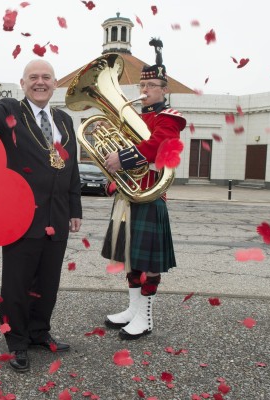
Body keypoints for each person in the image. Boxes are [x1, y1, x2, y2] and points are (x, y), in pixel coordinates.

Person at [0, 59, 83, 373]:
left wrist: (74, 208)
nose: (40, 82)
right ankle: (17, 342)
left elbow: (72, 168)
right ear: (23, 84)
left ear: (54, 84)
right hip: (21, 216)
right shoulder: (11, 110)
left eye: (46, 77)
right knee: (17, 285)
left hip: (58, 215)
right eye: (33, 77)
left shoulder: (64, 119)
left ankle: (39, 331)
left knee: (48, 282)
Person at [101, 39, 186, 340]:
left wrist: (121, 158)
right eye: (143, 84)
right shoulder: (133, 117)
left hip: (150, 195)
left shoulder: (170, 118)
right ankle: (133, 309)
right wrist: (113, 178)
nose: (145, 90)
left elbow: (157, 146)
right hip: (127, 195)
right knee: (130, 258)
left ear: (164, 89)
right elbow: (119, 145)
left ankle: (145, 318)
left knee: (147, 263)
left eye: (152, 85)